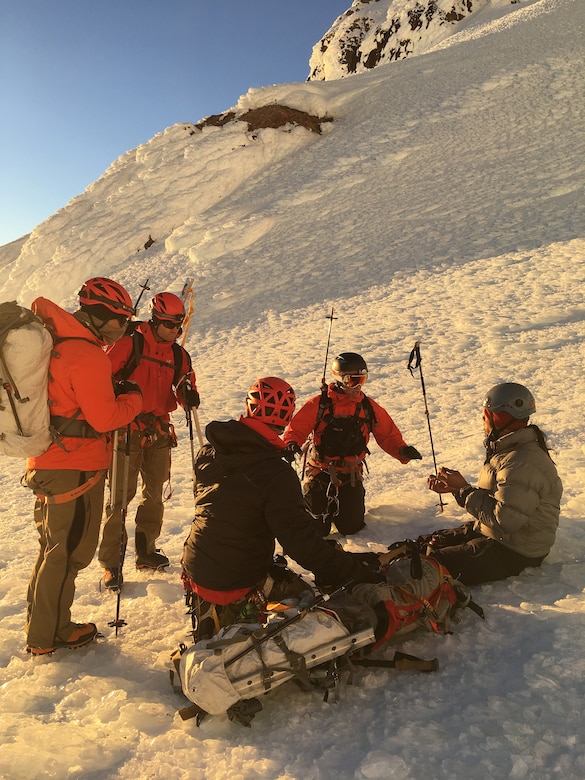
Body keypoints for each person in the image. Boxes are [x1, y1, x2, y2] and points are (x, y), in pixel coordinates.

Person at [181, 376, 386, 640]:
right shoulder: (276, 474)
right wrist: (348, 567)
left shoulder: (208, 453)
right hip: (237, 577)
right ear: (287, 419)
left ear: (248, 405)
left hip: (196, 562)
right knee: (308, 596)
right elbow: (301, 544)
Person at [24, 277, 143, 655]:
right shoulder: (86, 353)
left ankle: (41, 628)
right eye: (121, 320)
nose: (124, 327)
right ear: (104, 315)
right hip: (73, 465)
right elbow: (106, 418)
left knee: (52, 549)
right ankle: (50, 634)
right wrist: (133, 399)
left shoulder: (59, 343)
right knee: (68, 553)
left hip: (49, 460)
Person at [98, 291, 200, 590]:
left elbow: (184, 384)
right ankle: (111, 563)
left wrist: (188, 395)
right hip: (126, 429)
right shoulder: (130, 344)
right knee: (119, 498)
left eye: (179, 325)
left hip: (158, 431)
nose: (174, 331)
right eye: (169, 324)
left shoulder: (178, 354)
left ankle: (146, 552)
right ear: (155, 319)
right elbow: (101, 376)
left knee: (154, 494)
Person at [419, 382, 563, 585]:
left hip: (516, 550)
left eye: (485, 416)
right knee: (424, 544)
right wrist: (457, 490)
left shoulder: (521, 462)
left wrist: (465, 490)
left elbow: (506, 520)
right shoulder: (512, 450)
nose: (483, 421)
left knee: (429, 566)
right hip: (497, 534)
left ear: (497, 417)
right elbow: (503, 499)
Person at [283, 352, 422, 536]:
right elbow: (297, 429)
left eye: (362, 380)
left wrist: (402, 451)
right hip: (320, 474)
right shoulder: (319, 404)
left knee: (351, 527)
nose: (357, 386)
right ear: (339, 380)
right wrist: (291, 444)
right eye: (351, 381)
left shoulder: (368, 407)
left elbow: (387, 434)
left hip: (351, 476)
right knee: (315, 530)